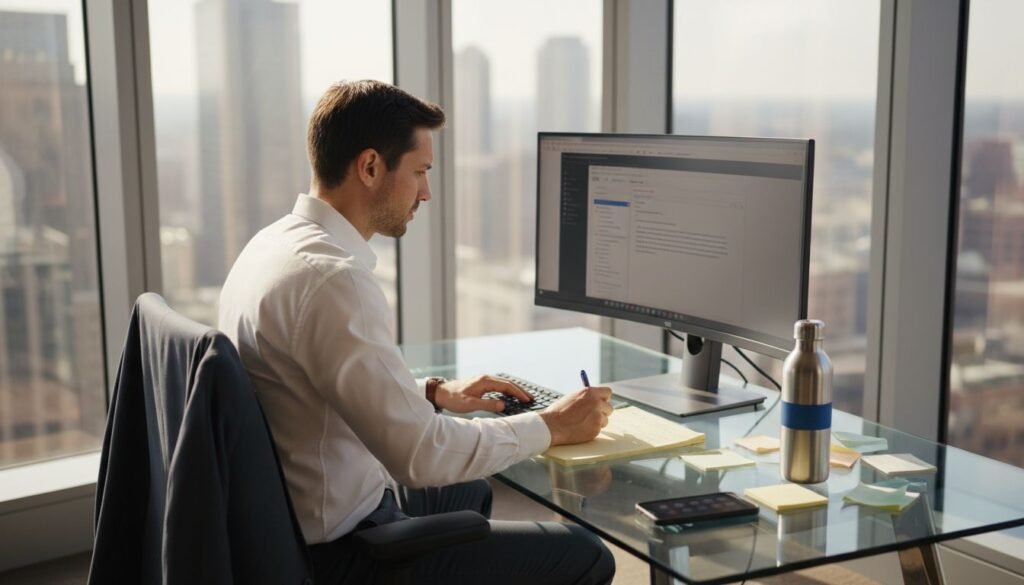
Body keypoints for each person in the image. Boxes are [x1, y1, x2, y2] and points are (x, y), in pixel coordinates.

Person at [218, 79, 616, 584]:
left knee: (468, 492)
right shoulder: (334, 281)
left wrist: (431, 393)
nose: (426, 192)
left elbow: (311, 383)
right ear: (370, 167)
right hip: (338, 552)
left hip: (289, 520)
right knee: (587, 555)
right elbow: (420, 456)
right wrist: (552, 426)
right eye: (420, 172)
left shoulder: (273, 245)